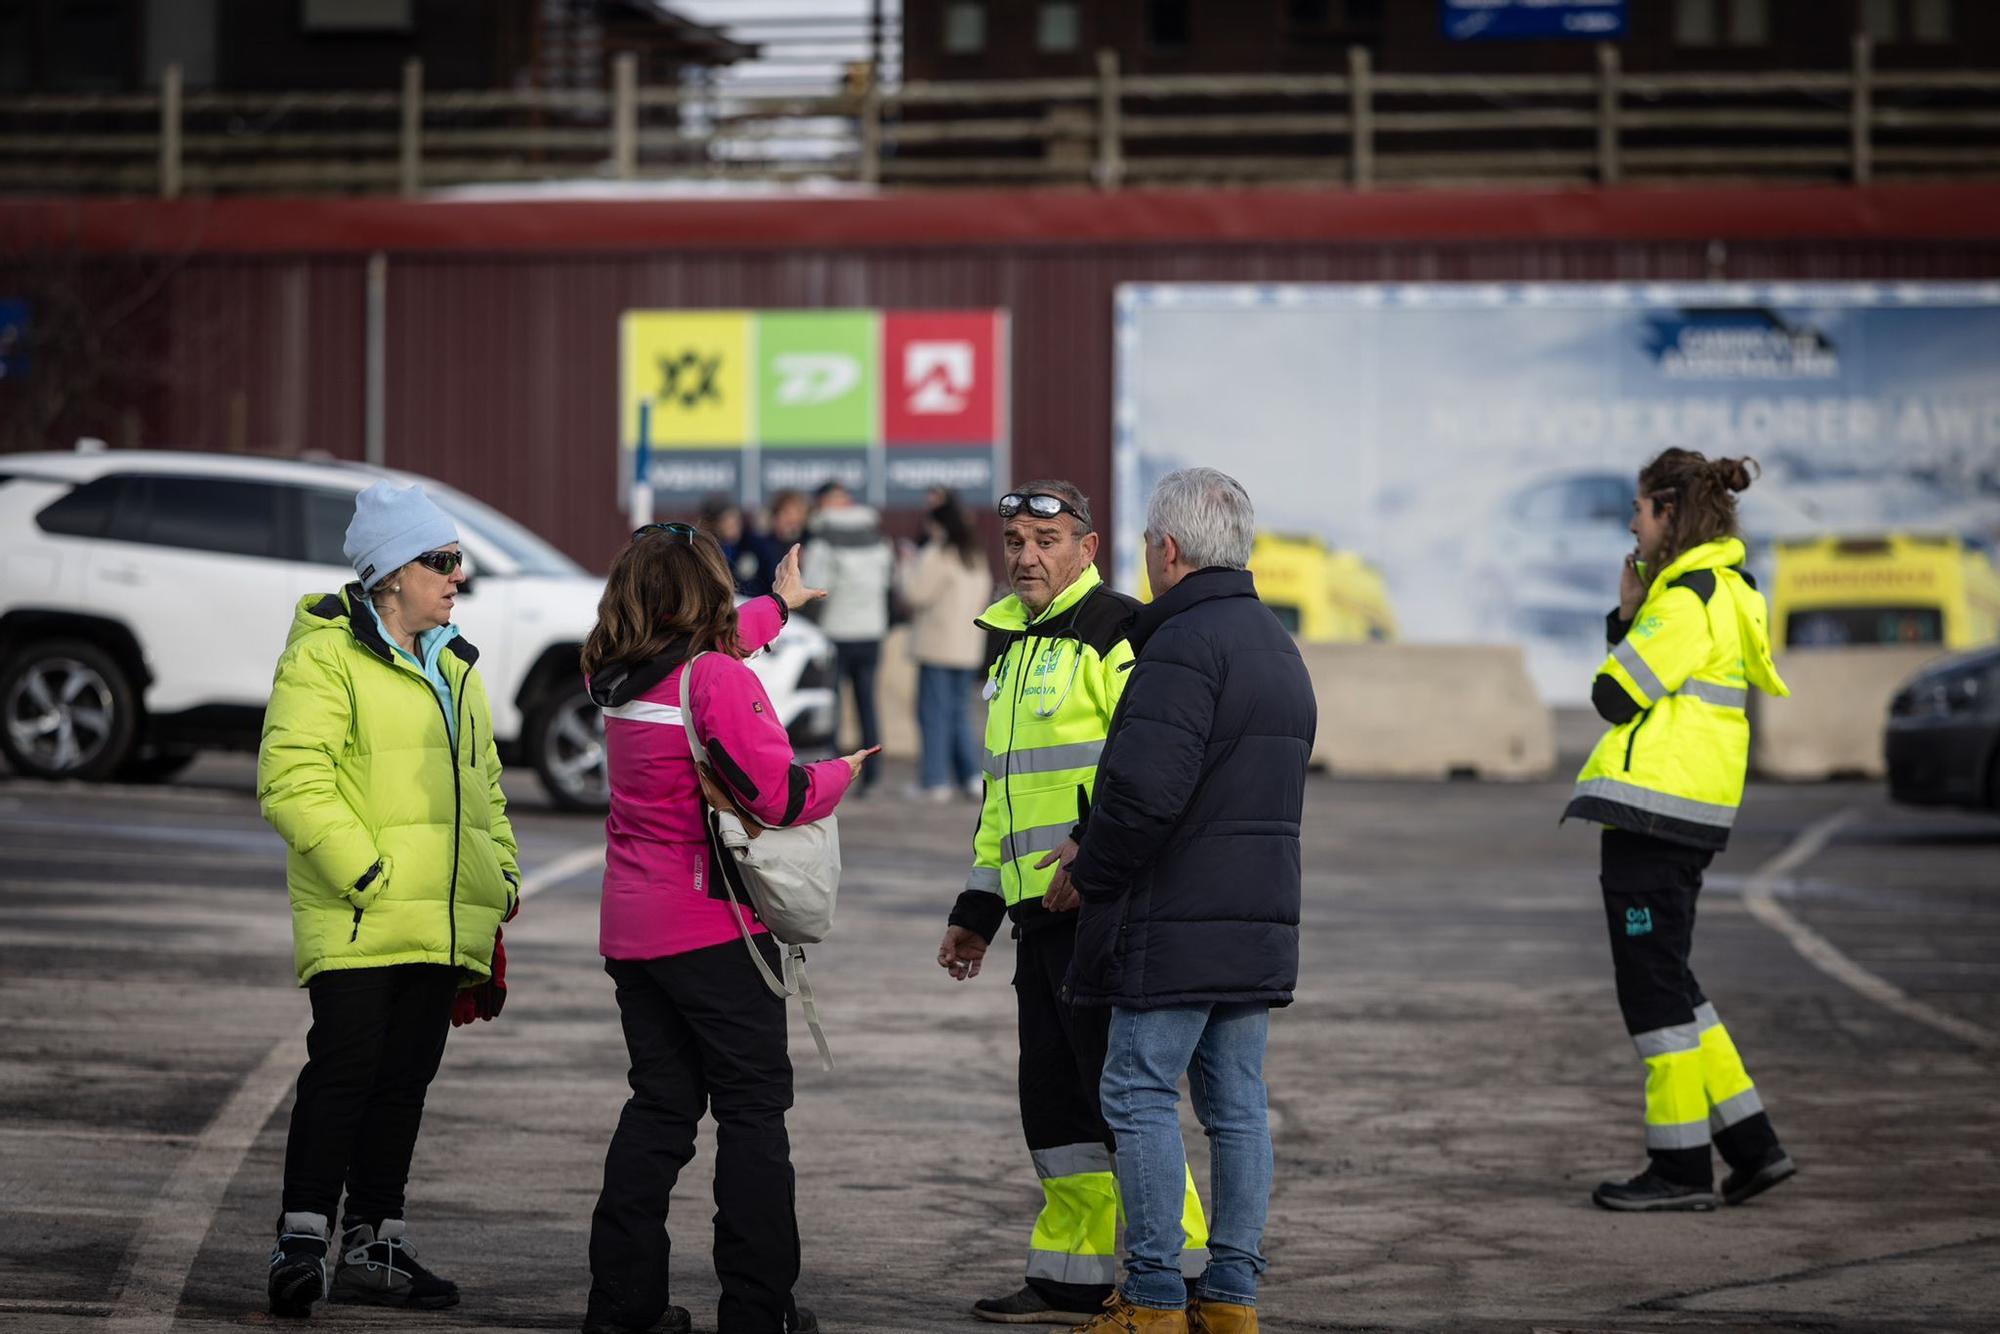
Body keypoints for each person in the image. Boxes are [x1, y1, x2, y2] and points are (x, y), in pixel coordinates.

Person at [579, 523, 876, 1334]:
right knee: (752, 1112)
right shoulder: (713, 679)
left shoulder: (611, 672)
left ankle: (622, 1307)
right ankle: (756, 1308)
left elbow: (704, 651)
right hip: (712, 928)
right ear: (704, 589)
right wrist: (838, 775)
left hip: (633, 933)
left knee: (659, 1109)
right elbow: (777, 796)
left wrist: (774, 609)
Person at [1045, 468, 1314, 1334]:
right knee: (1237, 1105)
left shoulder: (1181, 646)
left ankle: (1155, 1296)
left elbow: (1142, 796)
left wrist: (1089, 869)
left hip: (1176, 921)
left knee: (1135, 1093)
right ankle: (1232, 1296)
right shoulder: (1276, 644)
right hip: (1254, 918)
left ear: (1166, 551)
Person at [937, 480, 1209, 1328]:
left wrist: (1096, 859)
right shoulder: (1010, 644)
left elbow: (1150, 766)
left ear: (1087, 549)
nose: (1026, 556)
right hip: (1033, 919)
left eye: (1046, 541)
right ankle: (1071, 1277)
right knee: (1054, 1105)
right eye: (1015, 541)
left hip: (1102, 909)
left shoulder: (1119, 632)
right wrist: (976, 911)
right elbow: (1002, 799)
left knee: (1120, 1097)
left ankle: (1184, 1271)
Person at [258, 480, 520, 1319]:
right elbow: (293, 781)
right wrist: (367, 874)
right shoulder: (323, 656)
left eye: (457, 562)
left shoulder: (455, 664)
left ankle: (376, 1241)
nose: (456, 577)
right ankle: (302, 1240)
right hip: (363, 911)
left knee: (404, 1081)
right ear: (390, 572)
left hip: (441, 918)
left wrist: (502, 877)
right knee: (343, 1073)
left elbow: (486, 786)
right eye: (441, 561)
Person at [1564, 449, 1797, 1213]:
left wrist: (1630, 612)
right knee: (1677, 980)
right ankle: (1752, 1146)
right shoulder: (1733, 590)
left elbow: (1613, 694)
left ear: (1670, 515)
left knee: (1652, 988)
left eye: (1640, 509)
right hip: (1692, 811)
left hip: (1655, 813)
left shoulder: (1684, 597)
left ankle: (1680, 1168)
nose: (1631, 523)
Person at [897, 493, 995, 801]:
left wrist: (905, 566)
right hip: (967, 646)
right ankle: (969, 777)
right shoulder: (975, 555)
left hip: (937, 646)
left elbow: (915, 594)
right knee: (958, 713)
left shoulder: (937, 553)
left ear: (938, 524)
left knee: (934, 714)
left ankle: (935, 780)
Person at [802, 482, 892, 796]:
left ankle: (832, 775)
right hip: (871, 631)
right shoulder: (877, 537)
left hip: (837, 632)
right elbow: (887, 580)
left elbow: (814, 586)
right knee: (867, 704)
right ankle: (873, 775)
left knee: (833, 708)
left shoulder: (823, 540)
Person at [700, 494, 779, 598]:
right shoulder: (707, 550)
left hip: (757, 603)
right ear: (715, 524)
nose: (733, 525)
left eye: (736, 520)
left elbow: (771, 577)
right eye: (726, 520)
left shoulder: (756, 544)